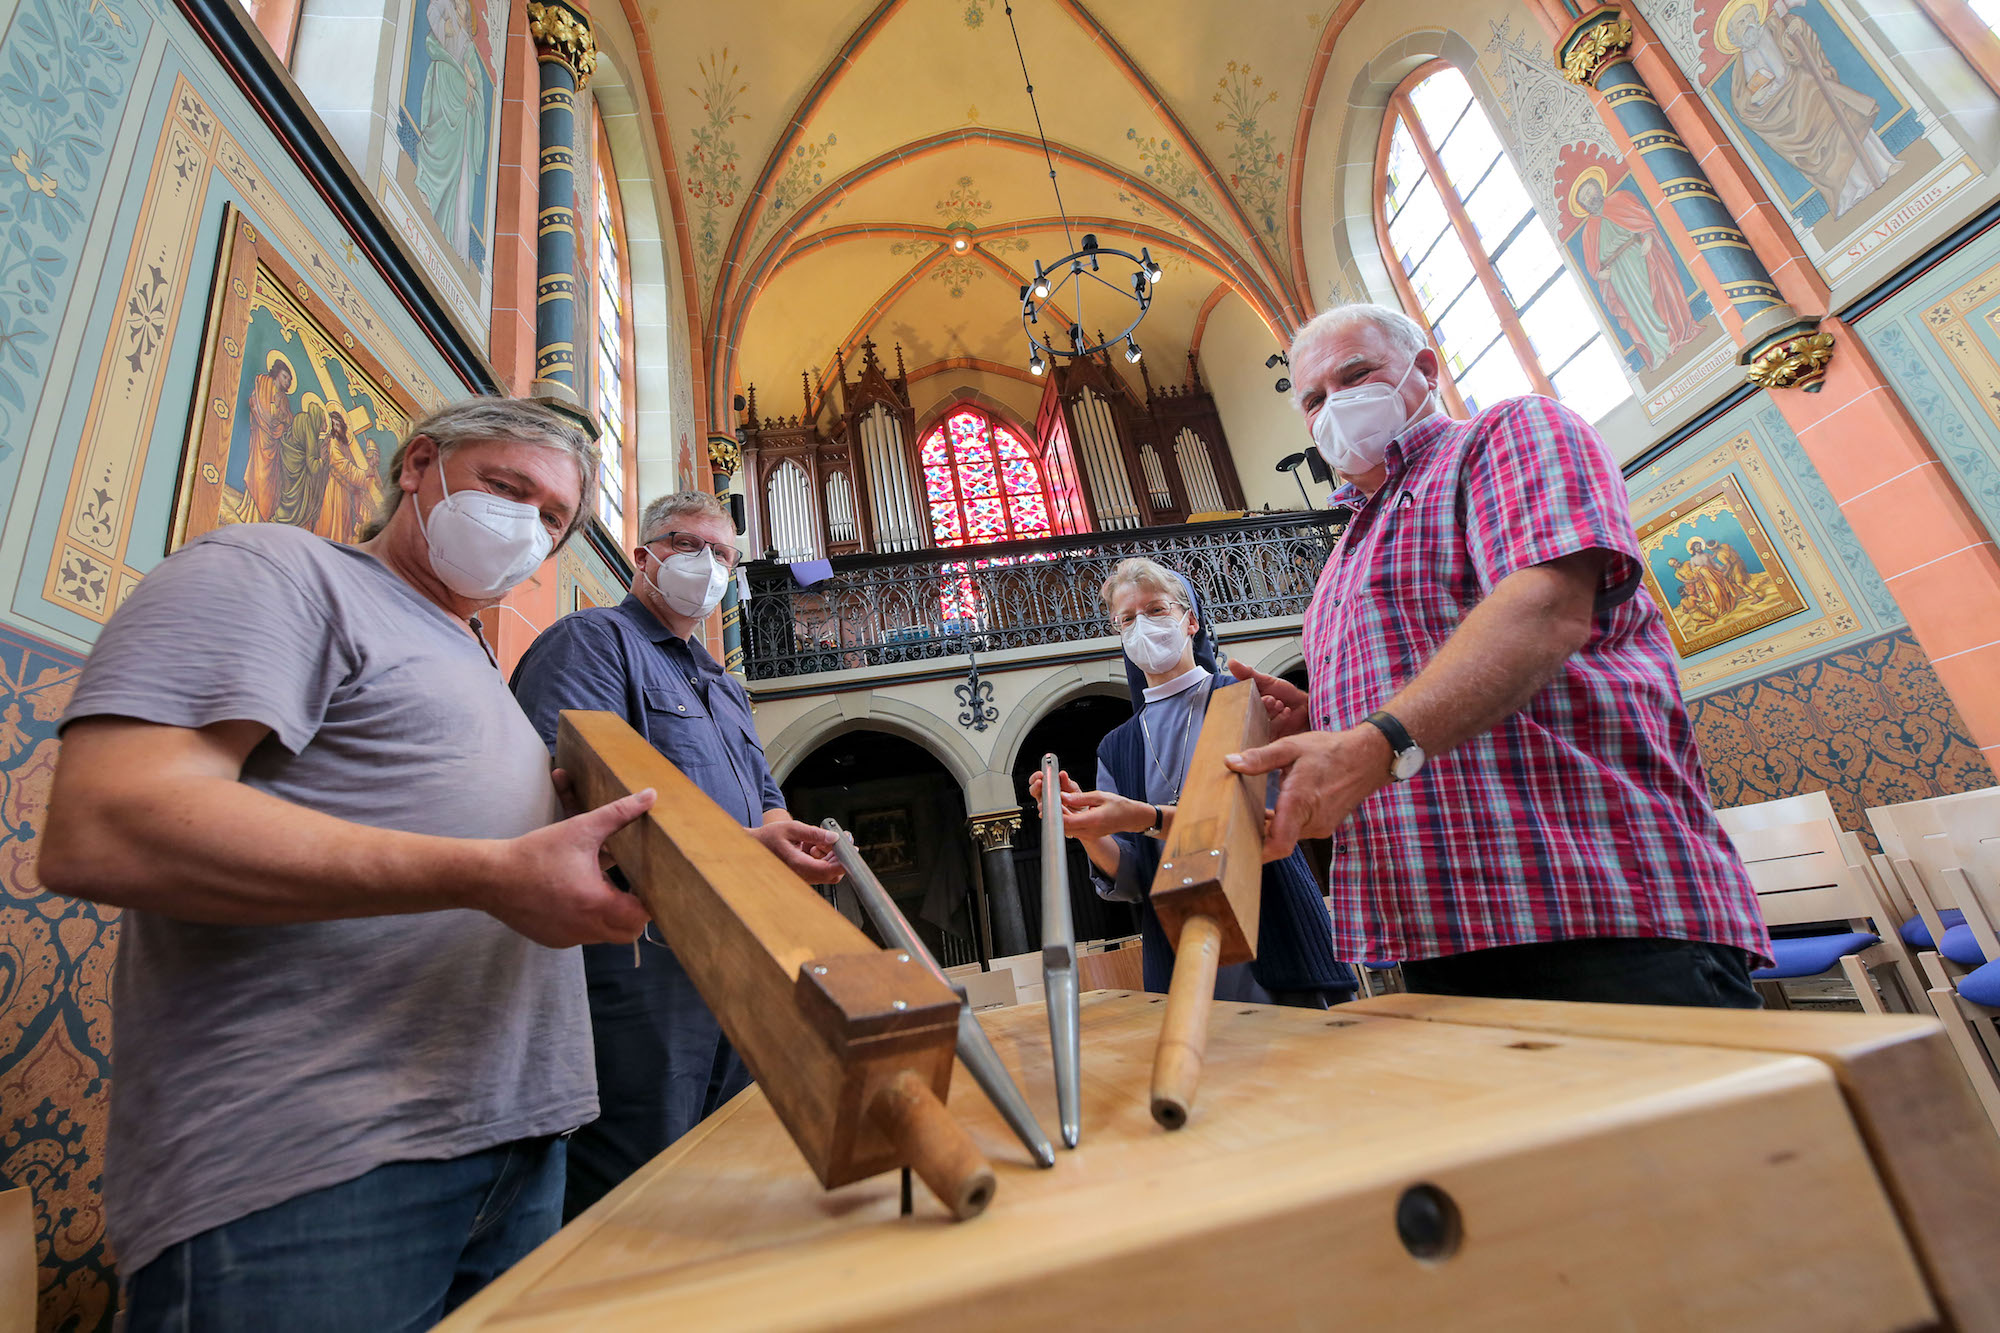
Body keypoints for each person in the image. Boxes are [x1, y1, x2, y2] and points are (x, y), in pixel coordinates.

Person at [38, 398, 656, 1331]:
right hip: (316, 1161)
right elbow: (108, 820)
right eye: (506, 488)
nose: (527, 527)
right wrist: (489, 874)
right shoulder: (279, 571)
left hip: (520, 1142)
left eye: (554, 519)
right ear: (418, 465)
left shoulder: (477, 658)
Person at [1225, 303, 1770, 1006]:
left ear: (1424, 369)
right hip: (1435, 926)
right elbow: (1418, 686)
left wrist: (1371, 741)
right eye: (1314, 400)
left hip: (1594, 902)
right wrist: (1321, 718)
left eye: (1355, 375)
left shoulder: (1506, 434)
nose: (1335, 405)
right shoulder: (1342, 558)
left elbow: (1545, 609)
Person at [511, 490, 843, 1219]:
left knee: (737, 1171)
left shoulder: (727, 688)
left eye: (722, 554)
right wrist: (739, 846)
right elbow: (568, 798)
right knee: (645, 1189)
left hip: (742, 959)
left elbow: (765, 798)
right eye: (687, 544)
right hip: (640, 962)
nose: (708, 564)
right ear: (643, 555)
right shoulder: (591, 643)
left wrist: (787, 839)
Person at [1031, 557, 1355, 1007]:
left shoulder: (1244, 701)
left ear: (1191, 621)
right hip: (1179, 946)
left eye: (1157, 610)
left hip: (1273, 925)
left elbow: (1267, 824)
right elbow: (1134, 874)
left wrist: (1145, 816)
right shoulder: (1117, 746)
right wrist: (1088, 832)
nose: (1142, 625)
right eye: (1126, 619)